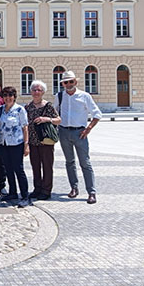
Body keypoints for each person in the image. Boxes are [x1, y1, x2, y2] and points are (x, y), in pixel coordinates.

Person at [54, 71, 102, 204]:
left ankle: (91, 192)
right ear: (63, 84)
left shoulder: (84, 96)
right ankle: (74, 188)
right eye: (66, 82)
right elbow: (54, 112)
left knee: (85, 163)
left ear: (75, 82)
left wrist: (88, 128)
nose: (69, 84)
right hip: (64, 132)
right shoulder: (59, 96)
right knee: (69, 162)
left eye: (71, 81)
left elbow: (97, 114)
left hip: (80, 132)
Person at [25, 80, 61, 201]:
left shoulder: (48, 106)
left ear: (43, 92)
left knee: (47, 166)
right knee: (35, 166)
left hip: (46, 141)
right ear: (31, 91)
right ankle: (37, 189)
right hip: (33, 141)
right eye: (34, 90)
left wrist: (47, 119)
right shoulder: (28, 107)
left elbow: (58, 120)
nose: (36, 92)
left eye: (39, 90)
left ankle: (46, 190)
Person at [0, 86, 30, 208]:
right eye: (5, 95)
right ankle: (12, 192)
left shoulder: (20, 109)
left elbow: (25, 127)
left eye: (10, 95)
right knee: (8, 169)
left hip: (16, 143)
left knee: (18, 169)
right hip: (3, 143)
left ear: (14, 97)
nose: (8, 98)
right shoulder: (0, 109)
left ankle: (25, 196)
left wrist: (26, 145)